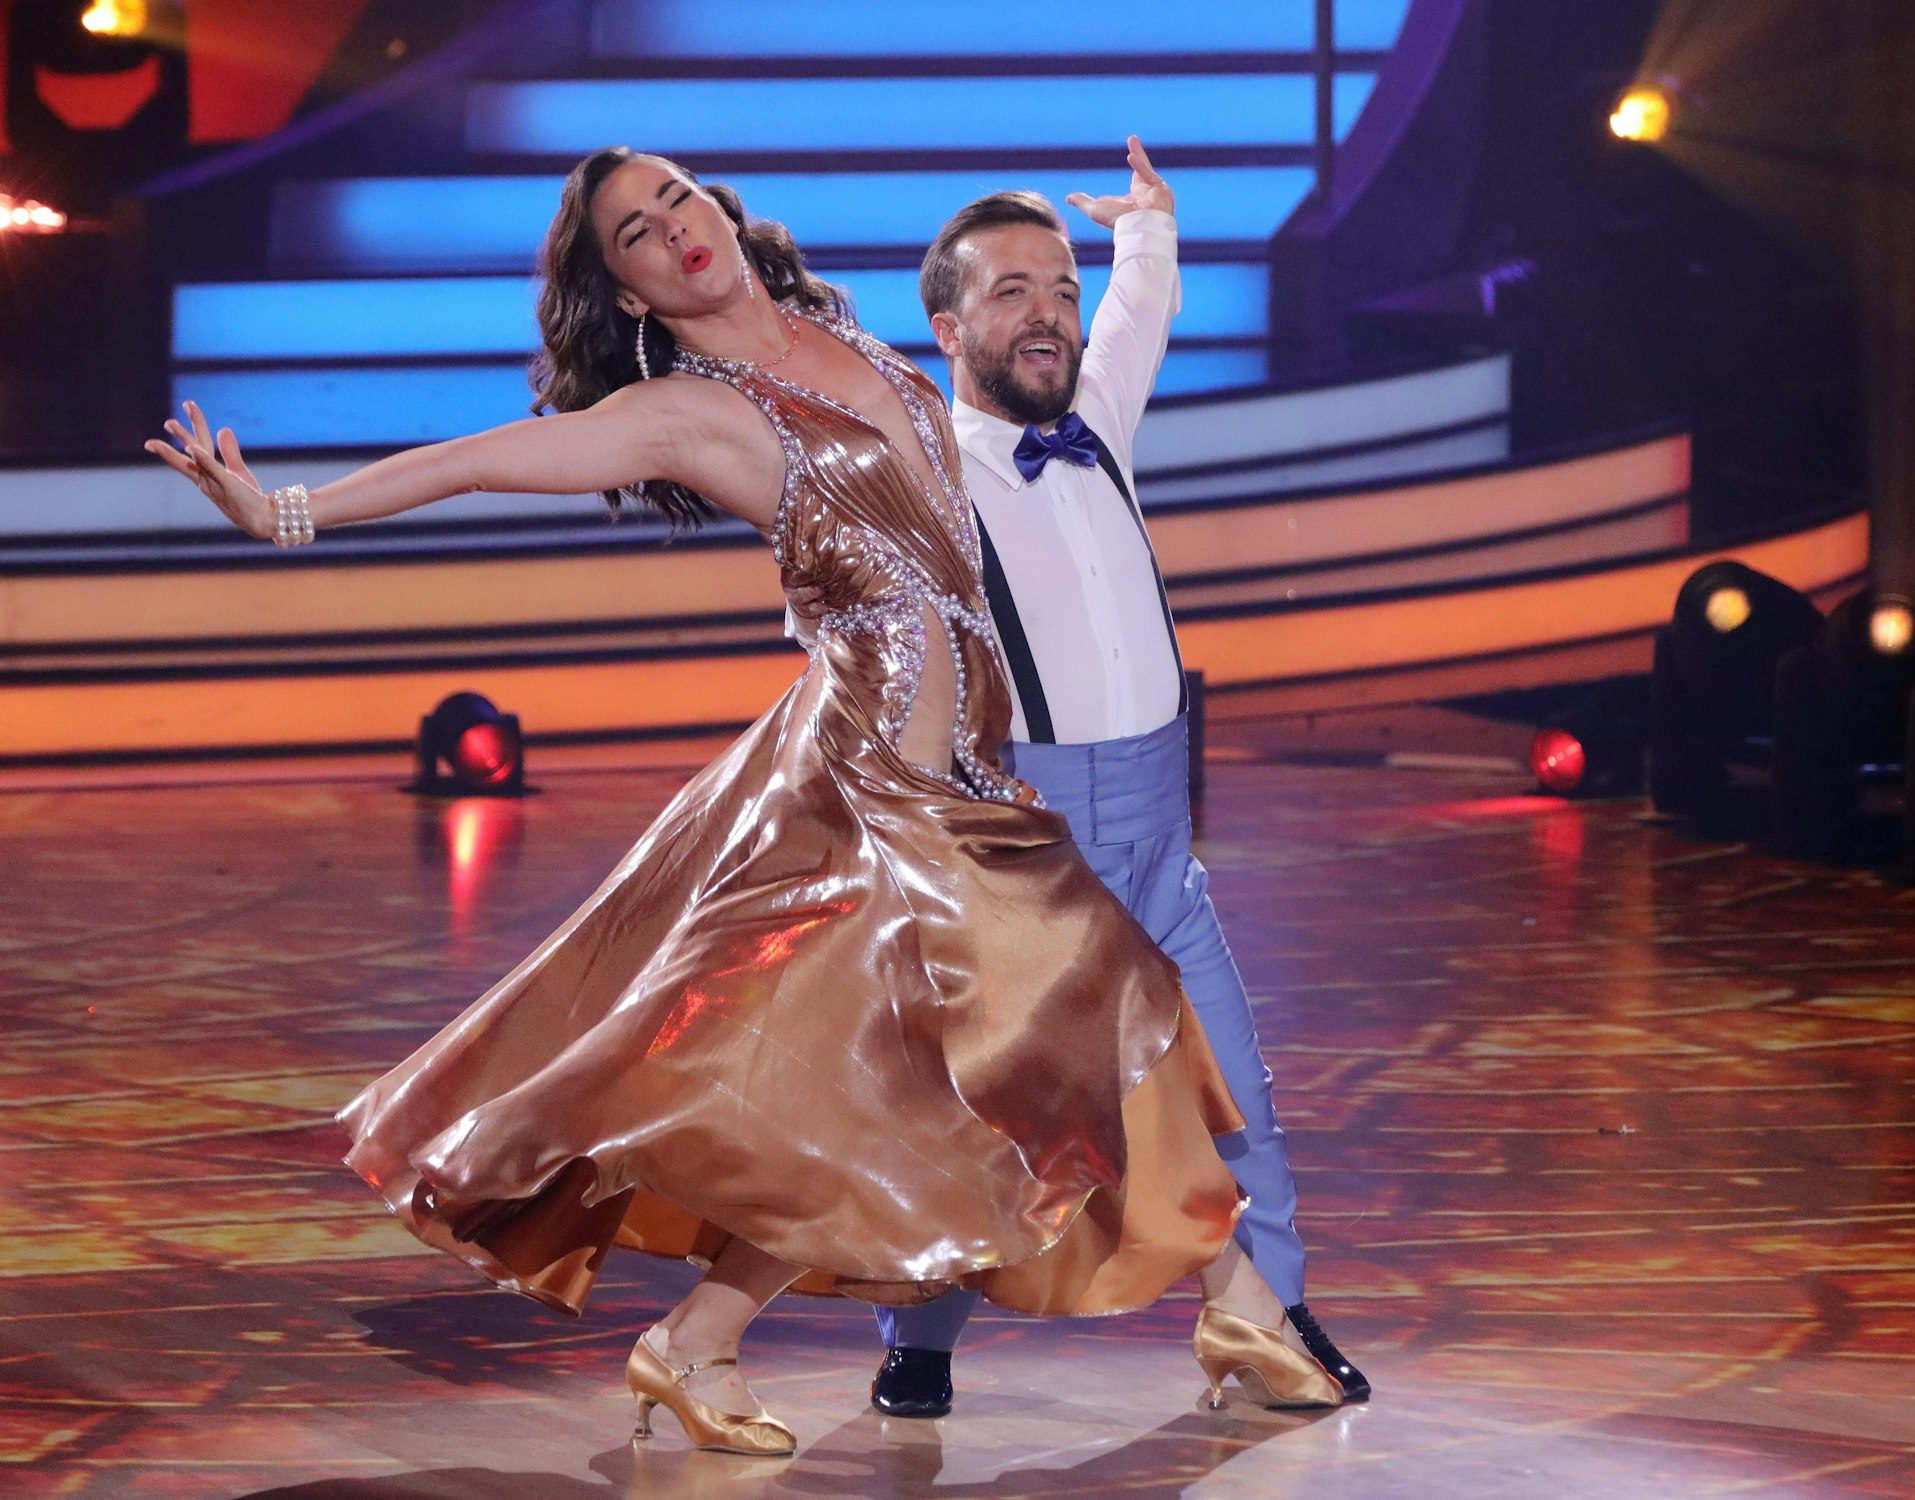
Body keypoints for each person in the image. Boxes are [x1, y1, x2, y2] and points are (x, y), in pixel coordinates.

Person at [146, 140, 1341, 1458]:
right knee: (1112, 1001)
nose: (673, 229)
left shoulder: (837, 329)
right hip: (873, 782)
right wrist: (291, 513)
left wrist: (1140, 253)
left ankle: (698, 1342)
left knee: (896, 1097)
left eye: (677, 198)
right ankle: (1239, 1314)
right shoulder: (689, 413)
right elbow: (483, 458)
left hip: (963, 776)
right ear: (633, 293)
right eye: (636, 236)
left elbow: (1086, 382)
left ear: (718, 207)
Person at [862, 139, 1372, 1421]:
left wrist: (1147, 225)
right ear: (947, 325)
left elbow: (1139, 310)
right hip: (1029, 844)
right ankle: (917, 1339)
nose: (1048, 312)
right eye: (1011, 291)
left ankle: (1266, 1314)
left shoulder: (1097, 424)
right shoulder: (923, 477)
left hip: (1155, 832)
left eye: (1059, 288)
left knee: (1234, 1092)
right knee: (992, 1119)